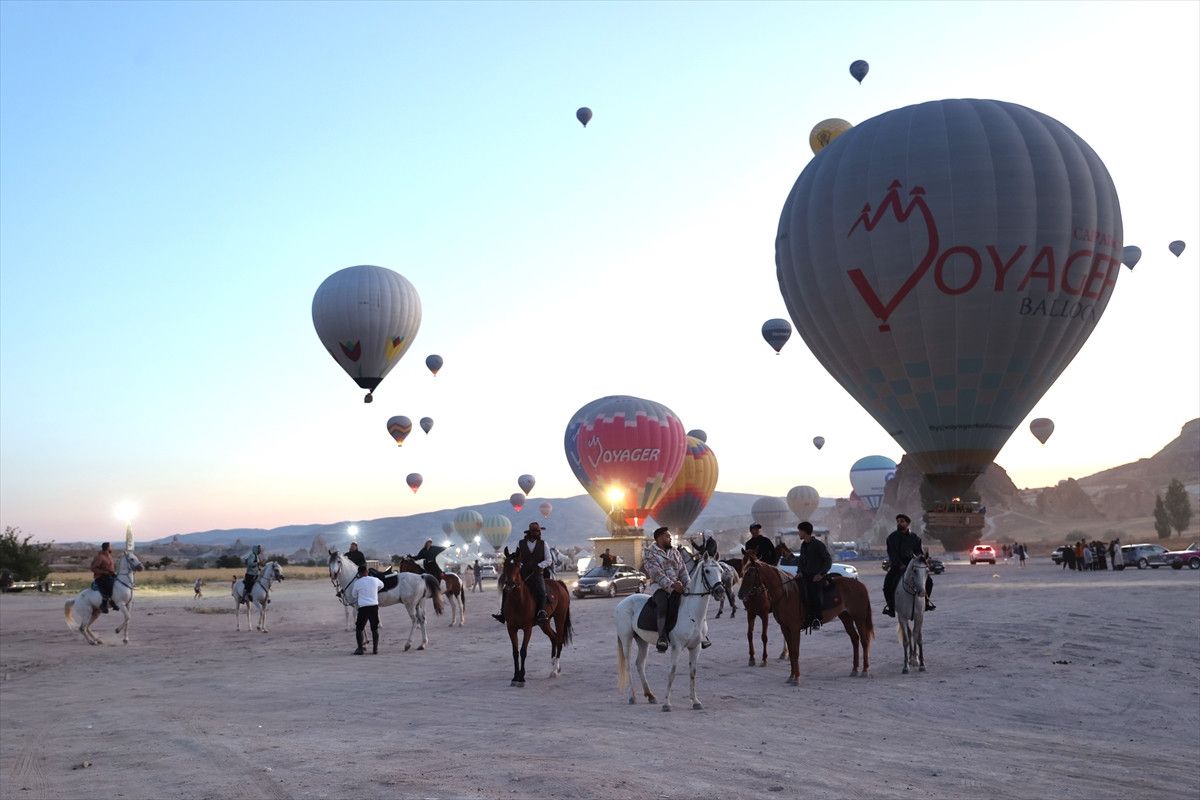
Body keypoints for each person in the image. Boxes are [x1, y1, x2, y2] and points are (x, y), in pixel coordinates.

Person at [492, 522, 552, 624]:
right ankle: (502, 613)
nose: (538, 533)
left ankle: (541, 611)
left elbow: (549, 560)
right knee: (506, 589)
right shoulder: (520, 543)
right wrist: (520, 565)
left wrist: (540, 565)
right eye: (535, 531)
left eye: (538, 531)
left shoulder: (543, 544)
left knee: (541, 591)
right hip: (524, 573)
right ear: (530, 532)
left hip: (537, 573)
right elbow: (517, 558)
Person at [642, 526, 688, 652]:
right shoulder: (649, 552)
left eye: (670, 536)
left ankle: (698, 632)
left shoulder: (674, 552)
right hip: (659, 585)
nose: (670, 538)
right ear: (659, 538)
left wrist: (688, 585)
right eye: (667, 536)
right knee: (663, 604)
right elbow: (656, 573)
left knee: (692, 600)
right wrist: (672, 585)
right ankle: (662, 637)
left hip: (677, 584)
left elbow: (683, 570)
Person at [882, 514, 935, 617]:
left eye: (902, 521)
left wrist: (921, 561)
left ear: (907, 523)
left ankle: (926, 603)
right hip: (897, 566)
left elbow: (919, 553)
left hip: (913, 566)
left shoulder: (915, 538)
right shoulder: (891, 538)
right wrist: (900, 564)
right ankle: (891, 607)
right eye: (898, 521)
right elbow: (892, 554)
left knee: (929, 582)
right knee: (887, 585)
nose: (899, 523)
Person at [796, 522, 832, 630]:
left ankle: (817, 619)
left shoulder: (818, 545)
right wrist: (799, 571)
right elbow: (801, 561)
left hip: (817, 577)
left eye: (800, 531)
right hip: (805, 576)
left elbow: (828, 560)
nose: (799, 533)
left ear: (805, 532)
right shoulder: (803, 545)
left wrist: (821, 574)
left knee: (814, 594)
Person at [349, 564, 384, 655]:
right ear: (367, 572)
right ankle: (375, 649)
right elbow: (382, 585)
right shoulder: (375, 580)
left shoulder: (357, 583)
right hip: (374, 607)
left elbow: (354, 595)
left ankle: (360, 649)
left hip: (363, 608)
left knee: (359, 628)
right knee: (374, 628)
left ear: (359, 574)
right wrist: (375, 590)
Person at [90, 542, 117, 613]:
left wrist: (113, 573)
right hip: (100, 577)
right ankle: (104, 605)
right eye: (110, 546)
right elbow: (93, 568)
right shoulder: (99, 557)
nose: (111, 547)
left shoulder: (109, 556)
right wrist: (104, 572)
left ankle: (114, 600)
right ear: (107, 547)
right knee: (110, 584)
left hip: (109, 575)